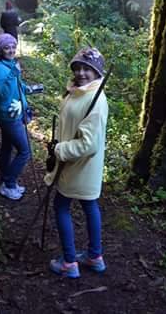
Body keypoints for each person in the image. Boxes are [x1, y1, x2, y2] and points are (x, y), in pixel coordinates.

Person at [45, 47, 108, 279]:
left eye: (87, 69)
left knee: (61, 206)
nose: (81, 73)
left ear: (97, 72)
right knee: (89, 205)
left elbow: (88, 144)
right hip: (79, 166)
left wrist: (61, 150)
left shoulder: (96, 100)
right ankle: (95, 256)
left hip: (78, 165)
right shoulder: (79, 92)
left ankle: (70, 262)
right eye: (78, 68)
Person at [0, 33, 43, 200]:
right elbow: (3, 93)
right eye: (7, 47)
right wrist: (13, 72)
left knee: (7, 146)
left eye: (13, 46)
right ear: (1, 50)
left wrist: (30, 89)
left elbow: (16, 85)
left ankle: (5, 177)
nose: (11, 50)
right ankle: (9, 184)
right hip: (9, 116)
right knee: (25, 151)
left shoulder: (9, 64)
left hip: (10, 115)